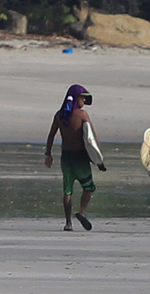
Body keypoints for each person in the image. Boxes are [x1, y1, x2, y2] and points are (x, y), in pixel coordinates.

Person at [44, 84, 106, 231]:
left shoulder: (59, 115)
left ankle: (68, 223)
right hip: (80, 158)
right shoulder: (82, 115)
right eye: (82, 98)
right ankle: (81, 211)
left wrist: (48, 154)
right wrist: (99, 160)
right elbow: (92, 138)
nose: (84, 102)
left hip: (66, 157)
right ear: (76, 98)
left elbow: (51, 135)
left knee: (67, 190)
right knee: (88, 187)